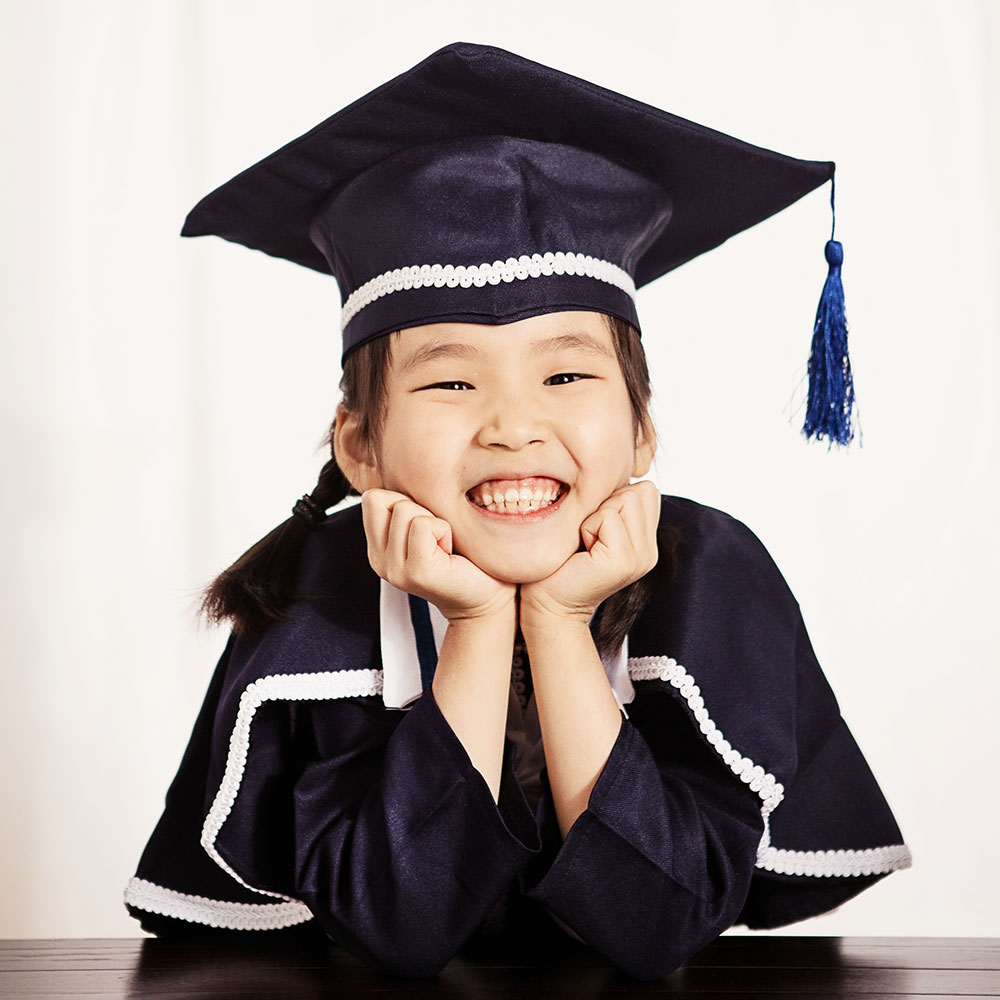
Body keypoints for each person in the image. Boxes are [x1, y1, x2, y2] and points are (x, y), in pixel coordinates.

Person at [124, 42, 910, 980]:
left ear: (642, 431)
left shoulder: (707, 571)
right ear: (359, 445)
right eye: (451, 380)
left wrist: (563, 620)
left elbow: (658, 925)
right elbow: (397, 926)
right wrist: (479, 619)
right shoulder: (318, 596)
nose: (512, 425)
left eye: (567, 374)